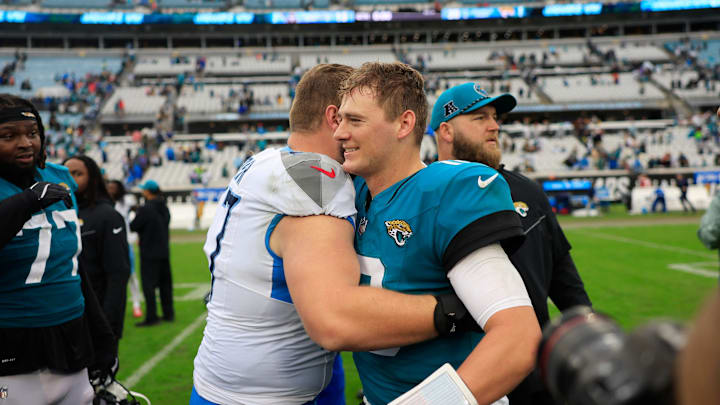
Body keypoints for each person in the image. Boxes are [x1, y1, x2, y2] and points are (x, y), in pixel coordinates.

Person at [191, 64, 480, 405]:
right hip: (260, 396)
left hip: (227, 370)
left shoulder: (265, 162)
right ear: (334, 118)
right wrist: (457, 308)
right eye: (352, 118)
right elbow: (334, 322)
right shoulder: (317, 184)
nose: (349, 131)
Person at [334, 62, 541, 405]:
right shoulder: (352, 192)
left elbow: (518, 339)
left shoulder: (446, 192)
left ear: (404, 123)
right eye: (340, 119)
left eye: (355, 120)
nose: (340, 132)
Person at [431, 82, 593, 405]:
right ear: (446, 131)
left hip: (535, 381)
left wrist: (592, 336)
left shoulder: (529, 193)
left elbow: (566, 284)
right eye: (479, 118)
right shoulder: (423, 198)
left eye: (495, 117)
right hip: (465, 380)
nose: (494, 126)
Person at [0, 94, 116, 404]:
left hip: (71, 340)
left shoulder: (57, 178)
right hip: (12, 347)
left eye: (32, 132)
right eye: (8, 136)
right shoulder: (33, 193)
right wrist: (29, 201)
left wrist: (102, 335)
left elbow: (72, 269)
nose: (26, 143)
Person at [63, 155, 131, 341]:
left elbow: (117, 274)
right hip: (66, 316)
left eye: (78, 174)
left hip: (96, 314)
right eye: (66, 174)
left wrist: (108, 325)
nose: (70, 179)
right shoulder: (57, 214)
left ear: (92, 178)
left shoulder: (107, 215)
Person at [130, 179, 174, 327]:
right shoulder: (164, 206)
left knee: (149, 286)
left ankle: (152, 317)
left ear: (147, 191)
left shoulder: (146, 208)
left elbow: (134, 226)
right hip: (163, 250)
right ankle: (169, 314)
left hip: (149, 252)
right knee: (165, 284)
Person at [107, 179, 144, 318]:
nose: (111, 190)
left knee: (131, 275)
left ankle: (136, 304)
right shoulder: (103, 202)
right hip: (109, 243)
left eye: (114, 188)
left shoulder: (127, 200)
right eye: (108, 187)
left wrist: (136, 233)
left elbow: (139, 210)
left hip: (125, 242)